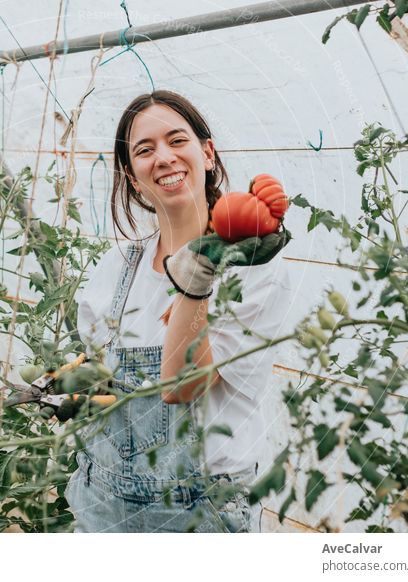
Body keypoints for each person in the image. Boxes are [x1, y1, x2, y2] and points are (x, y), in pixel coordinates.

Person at [67, 90, 293, 533]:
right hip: (104, 507)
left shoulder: (252, 270)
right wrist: (71, 389)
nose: (164, 158)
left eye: (177, 141)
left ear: (208, 153)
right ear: (133, 177)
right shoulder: (116, 268)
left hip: (200, 513)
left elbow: (182, 385)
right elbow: (101, 375)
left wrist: (194, 285)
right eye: (144, 150)